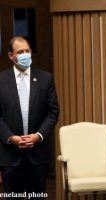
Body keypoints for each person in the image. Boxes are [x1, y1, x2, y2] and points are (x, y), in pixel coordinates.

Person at [0, 37, 59, 199]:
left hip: (37, 155)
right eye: (20, 52)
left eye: (27, 51)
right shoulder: (1, 81)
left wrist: (38, 136)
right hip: (10, 156)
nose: (25, 55)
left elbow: (53, 112)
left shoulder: (45, 78)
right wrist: (11, 138)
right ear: (11, 56)